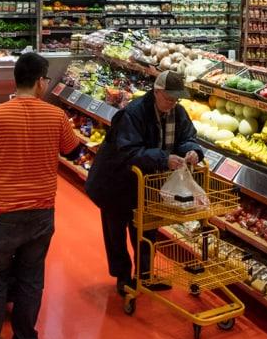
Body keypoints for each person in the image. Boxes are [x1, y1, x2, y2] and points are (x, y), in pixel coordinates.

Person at [0, 51, 85, 339]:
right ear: (40, 82)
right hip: (40, 213)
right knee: (31, 280)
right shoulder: (56, 117)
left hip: (1, 212)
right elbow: (74, 153)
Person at [85, 70, 200, 296]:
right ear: (157, 92)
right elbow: (128, 151)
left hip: (146, 181)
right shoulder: (133, 113)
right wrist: (163, 159)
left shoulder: (178, 112)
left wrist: (192, 151)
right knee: (116, 230)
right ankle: (123, 277)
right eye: (169, 98)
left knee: (147, 228)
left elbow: (187, 137)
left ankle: (145, 275)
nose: (172, 103)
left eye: (176, 98)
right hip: (116, 181)